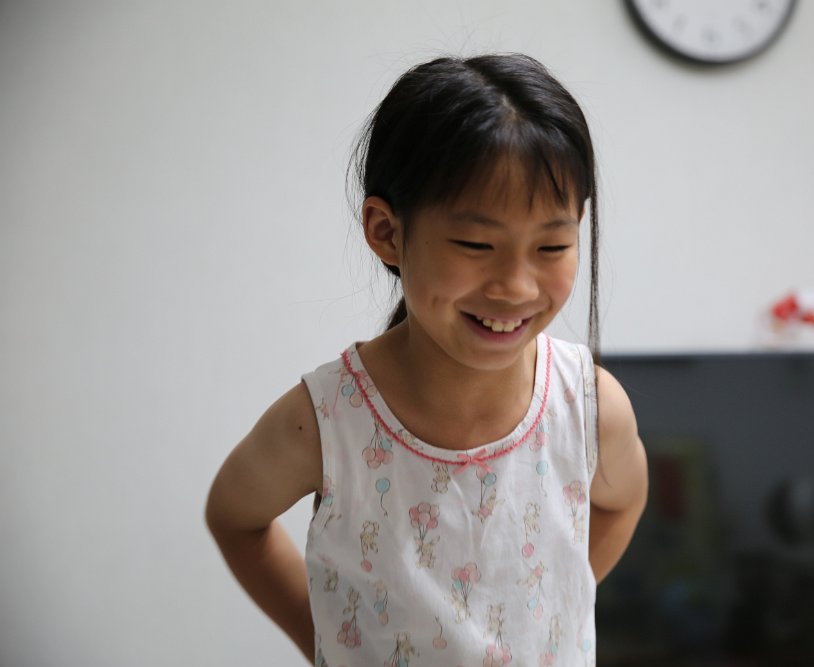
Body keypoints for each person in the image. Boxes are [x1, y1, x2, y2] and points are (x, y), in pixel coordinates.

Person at [205, 52, 648, 667]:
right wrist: (325, 636)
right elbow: (234, 517)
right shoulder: (326, 422)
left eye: (551, 245)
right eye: (476, 244)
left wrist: (553, 606)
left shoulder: (591, 407)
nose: (516, 287)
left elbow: (622, 500)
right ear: (387, 232)